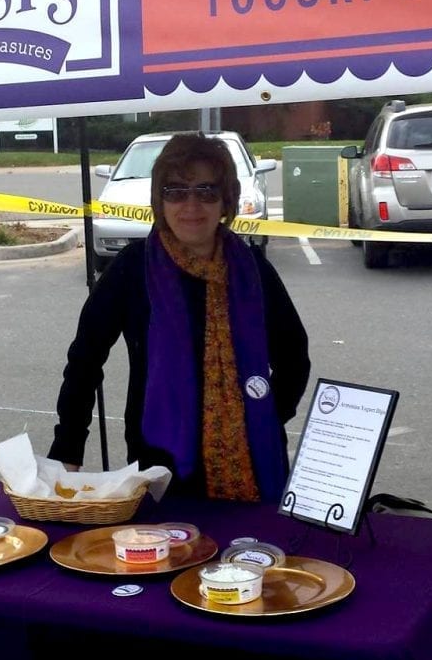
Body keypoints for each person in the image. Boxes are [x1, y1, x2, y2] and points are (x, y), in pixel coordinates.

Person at [49, 133, 310, 502]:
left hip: (253, 460)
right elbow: (85, 361)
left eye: (206, 191)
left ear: (225, 200)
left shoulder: (253, 269)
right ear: (160, 199)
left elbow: (293, 354)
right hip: (162, 460)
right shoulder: (133, 269)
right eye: (176, 191)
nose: (191, 205)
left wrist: (264, 417)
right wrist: (68, 449)